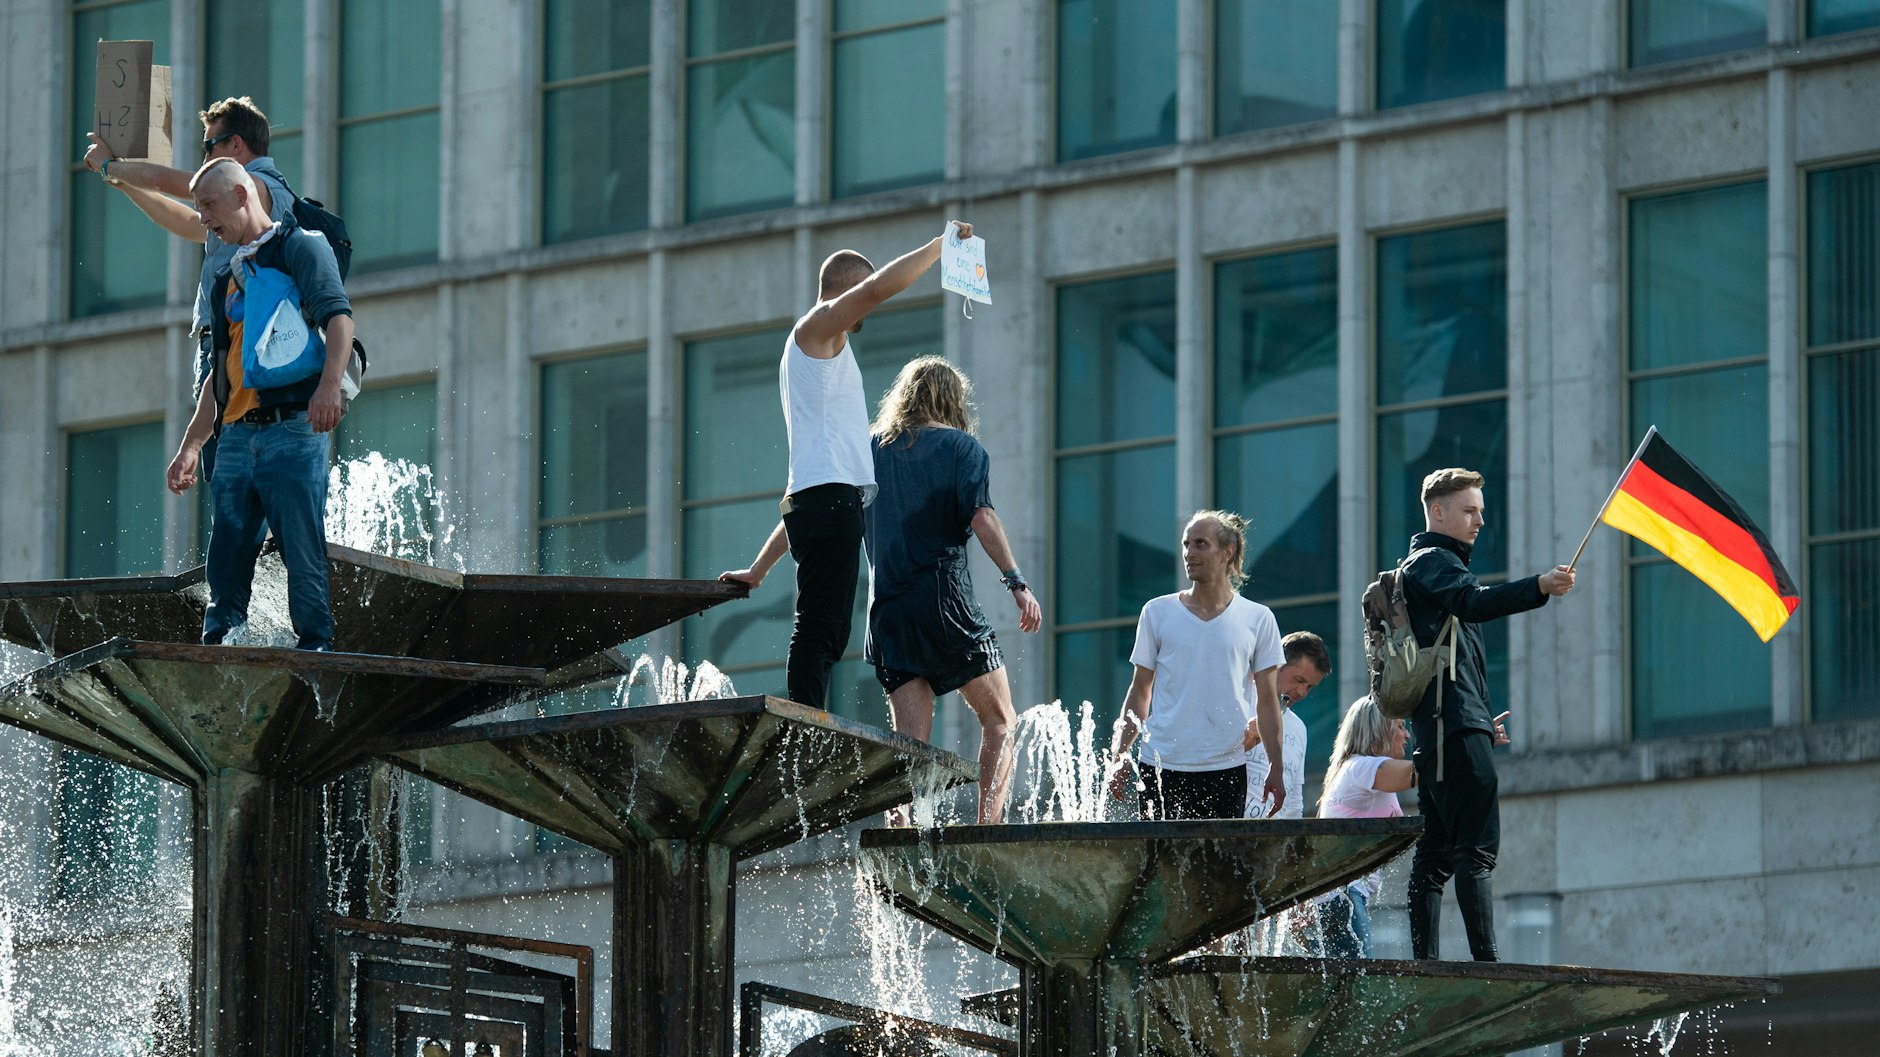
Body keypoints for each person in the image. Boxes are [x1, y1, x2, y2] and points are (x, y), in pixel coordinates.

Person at [719, 221, 975, 710]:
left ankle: (805, 718)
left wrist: (758, 569)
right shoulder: (816, 328)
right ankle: (803, 725)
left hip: (823, 504)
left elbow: (805, 494)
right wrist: (939, 246)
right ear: (844, 290)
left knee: (829, 627)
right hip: (829, 506)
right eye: (859, 293)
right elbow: (876, 289)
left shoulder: (818, 361)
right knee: (820, 628)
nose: (867, 309)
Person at [165, 158, 354, 652]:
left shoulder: (300, 247)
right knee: (225, 557)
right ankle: (220, 646)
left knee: (301, 548)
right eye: (199, 207)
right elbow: (220, 372)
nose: (203, 217)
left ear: (241, 195)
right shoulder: (225, 276)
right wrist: (190, 446)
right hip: (234, 436)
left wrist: (328, 388)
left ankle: (316, 649)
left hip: (291, 429)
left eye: (209, 204)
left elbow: (339, 319)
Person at [1400, 467, 1575, 961]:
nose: (1480, 521)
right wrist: (1540, 585)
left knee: (1436, 854)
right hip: (1453, 726)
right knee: (1474, 848)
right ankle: (1486, 964)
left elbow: (1455, 656)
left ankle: (1427, 965)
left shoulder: (1427, 566)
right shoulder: (1434, 562)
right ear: (1438, 512)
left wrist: (1479, 718)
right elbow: (1473, 603)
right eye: (1470, 511)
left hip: (1444, 728)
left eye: (1480, 510)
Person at [862, 357, 1041, 824]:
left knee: (909, 743)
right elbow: (982, 516)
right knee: (1000, 719)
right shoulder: (963, 448)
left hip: (887, 612)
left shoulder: (869, 449)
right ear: (952, 399)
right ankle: (987, 829)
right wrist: (1016, 582)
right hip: (944, 604)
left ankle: (900, 829)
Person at [84, 96, 296, 459]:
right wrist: (124, 183)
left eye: (209, 146)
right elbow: (186, 223)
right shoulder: (241, 204)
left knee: (231, 460)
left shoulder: (257, 185)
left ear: (235, 145)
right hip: (229, 339)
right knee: (225, 462)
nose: (204, 159)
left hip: (239, 339)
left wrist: (109, 166)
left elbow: (165, 180)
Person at [1105, 511, 1287, 820]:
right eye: (1186, 544)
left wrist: (1276, 767)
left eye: (1200, 544)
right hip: (1159, 764)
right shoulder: (1156, 612)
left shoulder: (1258, 618)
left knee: (1219, 854)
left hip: (1225, 767)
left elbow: (1268, 701)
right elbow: (1139, 691)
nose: (1189, 553)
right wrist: (1119, 755)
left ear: (1227, 552)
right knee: (1157, 853)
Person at [1299, 696, 1416, 958]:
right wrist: (1473, 742)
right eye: (1400, 726)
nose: (1407, 735)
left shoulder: (1355, 770)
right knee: (1358, 979)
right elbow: (1425, 771)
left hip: (1337, 897)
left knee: (1347, 979)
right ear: (1378, 731)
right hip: (1343, 897)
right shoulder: (1363, 767)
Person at [1243, 630, 1331, 819]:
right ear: (1277, 664)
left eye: (1310, 686)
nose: (1302, 692)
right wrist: (1243, 742)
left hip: (1273, 836)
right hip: (1224, 831)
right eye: (1299, 680)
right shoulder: (1238, 701)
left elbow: (1294, 802)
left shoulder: (1299, 728)